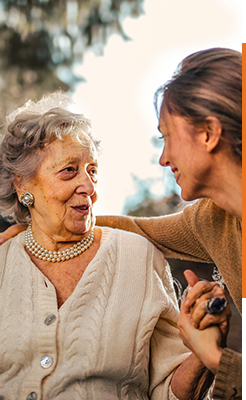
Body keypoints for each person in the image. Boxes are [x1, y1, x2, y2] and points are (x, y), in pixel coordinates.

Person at [0, 48, 241, 398]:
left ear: (209, 134)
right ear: (23, 185)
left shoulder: (140, 258)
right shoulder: (208, 221)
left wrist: (212, 357)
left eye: (167, 136)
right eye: (70, 170)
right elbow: (140, 227)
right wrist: (39, 227)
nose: (162, 158)